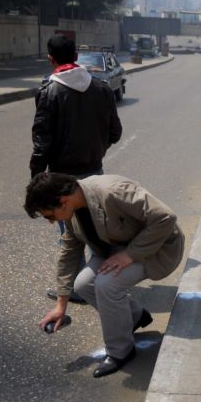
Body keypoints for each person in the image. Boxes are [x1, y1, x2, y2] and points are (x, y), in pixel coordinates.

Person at [24, 172, 185, 377]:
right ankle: (134, 317)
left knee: (106, 284)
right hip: (116, 248)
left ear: (63, 202)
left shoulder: (112, 192)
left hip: (155, 248)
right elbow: (69, 252)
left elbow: (165, 217)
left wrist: (130, 254)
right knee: (83, 284)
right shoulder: (73, 207)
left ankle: (121, 351)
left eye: (49, 216)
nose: (50, 222)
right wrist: (60, 305)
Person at [31, 34, 123, 304]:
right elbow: (115, 132)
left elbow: (41, 143)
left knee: (69, 235)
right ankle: (101, 280)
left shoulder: (49, 91)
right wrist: (97, 149)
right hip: (95, 172)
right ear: (76, 56)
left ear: (50, 58)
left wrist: (37, 179)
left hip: (61, 177)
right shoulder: (102, 88)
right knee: (96, 229)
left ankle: (74, 287)